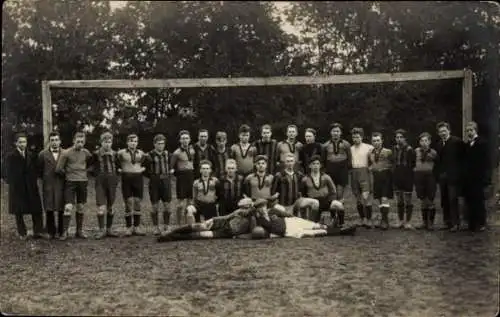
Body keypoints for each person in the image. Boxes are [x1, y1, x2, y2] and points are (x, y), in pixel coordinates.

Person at [157, 198, 256, 242]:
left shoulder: (252, 217)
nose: (242, 207)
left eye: (244, 204)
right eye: (242, 206)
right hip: (222, 223)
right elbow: (226, 217)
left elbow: (251, 232)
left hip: (226, 232)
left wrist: (237, 236)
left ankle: (171, 238)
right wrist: (212, 220)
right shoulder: (239, 211)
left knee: (201, 235)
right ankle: (170, 232)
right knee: (199, 226)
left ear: (249, 205)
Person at [6, 132, 45, 240]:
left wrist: (34, 178)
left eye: (24, 142)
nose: (22, 144)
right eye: (20, 142)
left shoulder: (31, 155)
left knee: (36, 208)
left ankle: (38, 231)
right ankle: (22, 232)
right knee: (19, 210)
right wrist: (13, 183)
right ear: (15, 143)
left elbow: (36, 169)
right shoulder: (11, 156)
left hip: (31, 185)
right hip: (18, 186)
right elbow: (7, 173)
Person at [253, 199, 356, 238]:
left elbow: (286, 214)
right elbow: (269, 230)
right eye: (260, 207)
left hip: (290, 222)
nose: (263, 209)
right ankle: (340, 232)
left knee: (314, 225)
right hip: (288, 231)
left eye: (264, 206)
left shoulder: (272, 211)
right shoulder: (261, 220)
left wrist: (295, 219)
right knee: (314, 233)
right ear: (257, 210)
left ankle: (339, 229)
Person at [56, 131, 93, 240]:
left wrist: (86, 172)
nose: (80, 143)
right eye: (78, 141)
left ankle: (79, 231)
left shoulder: (86, 153)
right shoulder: (66, 153)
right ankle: (65, 232)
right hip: (70, 182)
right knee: (68, 207)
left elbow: (91, 162)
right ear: (74, 141)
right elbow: (58, 169)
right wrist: (68, 174)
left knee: (81, 207)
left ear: (84, 142)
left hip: (82, 182)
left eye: (82, 142)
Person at [434, 121, 465, 232]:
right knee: (445, 199)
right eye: (440, 131)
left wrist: (460, 174)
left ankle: (456, 223)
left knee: (453, 199)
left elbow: (463, 159)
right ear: (438, 133)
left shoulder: (457, 142)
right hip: (443, 176)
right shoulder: (438, 144)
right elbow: (438, 162)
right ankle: (447, 222)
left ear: (449, 131)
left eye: (444, 131)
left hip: (454, 176)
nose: (442, 133)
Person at [91, 131, 120, 239]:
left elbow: (119, 167)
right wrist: (97, 175)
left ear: (111, 142)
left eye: (109, 142)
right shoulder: (95, 154)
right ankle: (101, 230)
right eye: (105, 142)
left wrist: (116, 178)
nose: (107, 144)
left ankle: (109, 229)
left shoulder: (115, 154)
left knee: (111, 207)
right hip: (100, 182)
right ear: (101, 142)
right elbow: (90, 167)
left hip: (112, 182)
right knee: (101, 207)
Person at [462, 121, 490, 232]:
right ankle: (472, 223)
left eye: (471, 130)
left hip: (478, 177)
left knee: (479, 200)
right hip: (468, 178)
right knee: (469, 200)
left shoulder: (482, 143)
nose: (469, 132)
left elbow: (486, 162)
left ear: (475, 130)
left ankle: (481, 223)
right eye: (468, 130)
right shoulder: (467, 144)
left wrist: (485, 178)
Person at [117, 134, 147, 236]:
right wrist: (119, 169)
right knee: (128, 202)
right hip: (126, 179)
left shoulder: (141, 153)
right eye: (131, 141)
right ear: (127, 142)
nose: (133, 143)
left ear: (137, 142)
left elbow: (147, 163)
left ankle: (137, 227)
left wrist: (143, 169)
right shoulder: (121, 153)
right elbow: (115, 162)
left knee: (138, 201)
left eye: (135, 141)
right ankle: (129, 227)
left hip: (138, 179)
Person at [300, 155, 343, 225]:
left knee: (339, 205)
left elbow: (333, 191)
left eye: (317, 163)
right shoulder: (305, 179)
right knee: (314, 224)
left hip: (326, 201)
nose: (316, 166)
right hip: (314, 203)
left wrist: (331, 201)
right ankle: (313, 222)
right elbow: (303, 194)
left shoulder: (326, 177)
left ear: (320, 166)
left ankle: (341, 224)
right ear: (309, 166)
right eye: (313, 164)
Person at [37, 131, 65, 239]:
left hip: (61, 184)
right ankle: (51, 231)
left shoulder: (65, 153)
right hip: (48, 185)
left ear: (60, 141)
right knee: (49, 208)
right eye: (52, 140)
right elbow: (39, 171)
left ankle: (62, 231)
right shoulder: (42, 154)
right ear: (49, 142)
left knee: (61, 208)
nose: (54, 142)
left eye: (56, 140)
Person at [144, 134, 172, 236]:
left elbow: (172, 165)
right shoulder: (149, 155)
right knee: (154, 205)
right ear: (154, 144)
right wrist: (152, 176)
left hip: (166, 181)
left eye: (163, 144)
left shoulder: (168, 154)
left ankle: (166, 225)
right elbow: (144, 169)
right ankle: (155, 227)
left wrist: (170, 172)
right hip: (154, 182)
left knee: (167, 205)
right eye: (159, 144)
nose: (161, 146)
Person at [170, 130, 196, 225]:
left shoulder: (192, 150)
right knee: (180, 202)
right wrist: (175, 177)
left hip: (191, 176)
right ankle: (178, 223)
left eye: (186, 138)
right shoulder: (176, 153)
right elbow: (171, 167)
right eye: (183, 138)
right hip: (181, 177)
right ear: (180, 140)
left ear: (189, 139)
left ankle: (188, 223)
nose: (185, 140)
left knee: (190, 201)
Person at [368, 132, 393, 230]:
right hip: (376, 177)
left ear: (382, 141)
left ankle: (385, 221)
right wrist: (371, 168)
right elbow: (371, 164)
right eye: (374, 141)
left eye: (378, 140)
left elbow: (393, 164)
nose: (376, 142)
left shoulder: (388, 152)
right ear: (371, 142)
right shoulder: (370, 152)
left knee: (384, 198)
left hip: (386, 176)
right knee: (379, 199)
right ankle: (383, 218)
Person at [350, 127, 374, 227]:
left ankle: (369, 220)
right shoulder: (350, 149)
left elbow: (375, 161)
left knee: (366, 196)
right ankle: (362, 219)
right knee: (358, 197)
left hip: (365, 171)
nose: (355, 139)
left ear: (362, 137)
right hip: (354, 172)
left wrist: (371, 168)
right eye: (354, 137)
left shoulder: (369, 147)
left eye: (358, 137)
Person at [414, 132, 438, 230]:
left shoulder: (433, 152)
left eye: (426, 141)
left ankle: (431, 223)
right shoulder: (416, 151)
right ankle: (424, 222)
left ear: (429, 142)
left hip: (430, 177)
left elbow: (438, 165)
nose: (424, 143)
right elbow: (411, 162)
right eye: (422, 141)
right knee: (423, 199)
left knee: (430, 199)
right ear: (419, 142)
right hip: (419, 177)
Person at [393, 129, 416, 229]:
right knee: (399, 200)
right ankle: (400, 220)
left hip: (407, 176)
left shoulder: (410, 150)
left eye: (401, 137)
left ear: (405, 138)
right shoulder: (394, 149)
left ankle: (408, 221)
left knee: (408, 200)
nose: (399, 139)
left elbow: (413, 165)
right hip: (397, 176)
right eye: (397, 137)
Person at [323, 123, 352, 201]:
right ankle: (332, 212)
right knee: (332, 192)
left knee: (340, 193)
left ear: (341, 132)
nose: (335, 133)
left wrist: (347, 169)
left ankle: (340, 211)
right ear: (330, 132)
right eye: (333, 131)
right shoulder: (325, 145)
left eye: (337, 131)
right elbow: (324, 159)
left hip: (342, 169)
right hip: (330, 168)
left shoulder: (346, 144)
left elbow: (349, 158)